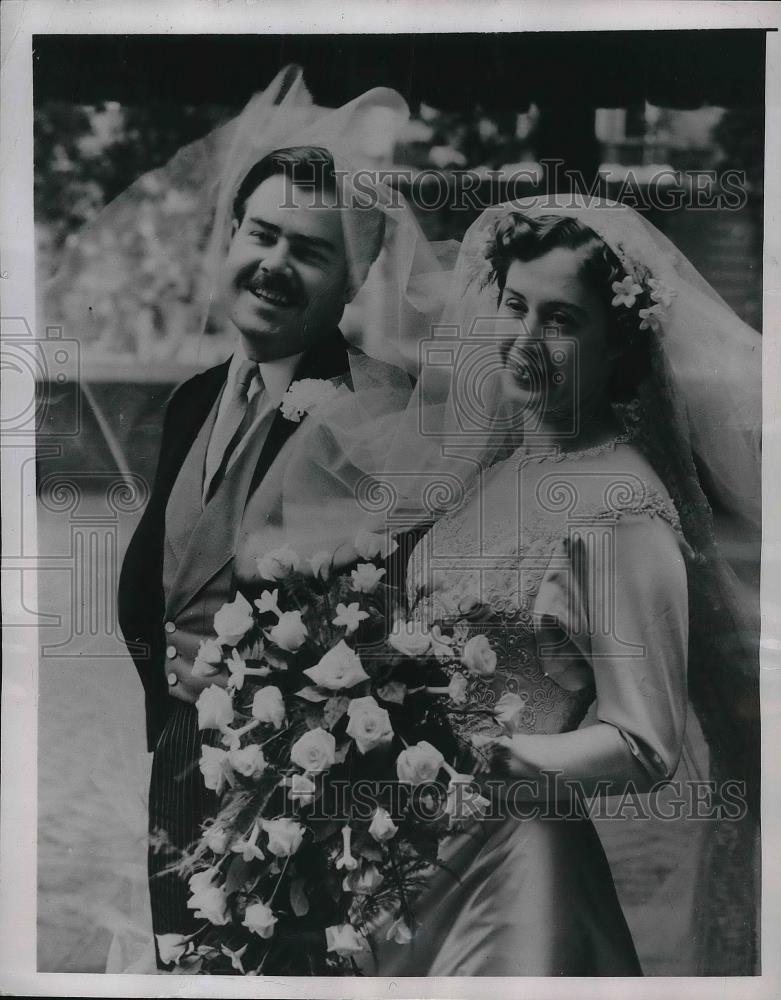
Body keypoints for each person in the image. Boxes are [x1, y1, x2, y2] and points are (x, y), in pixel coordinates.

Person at [297, 196, 760, 975]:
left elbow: (643, 744)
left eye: (561, 320)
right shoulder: (498, 470)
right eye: (515, 306)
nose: (523, 338)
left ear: (618, 348)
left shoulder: (621, 508)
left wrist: (480, 757)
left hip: (517, 876)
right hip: (416, 856)